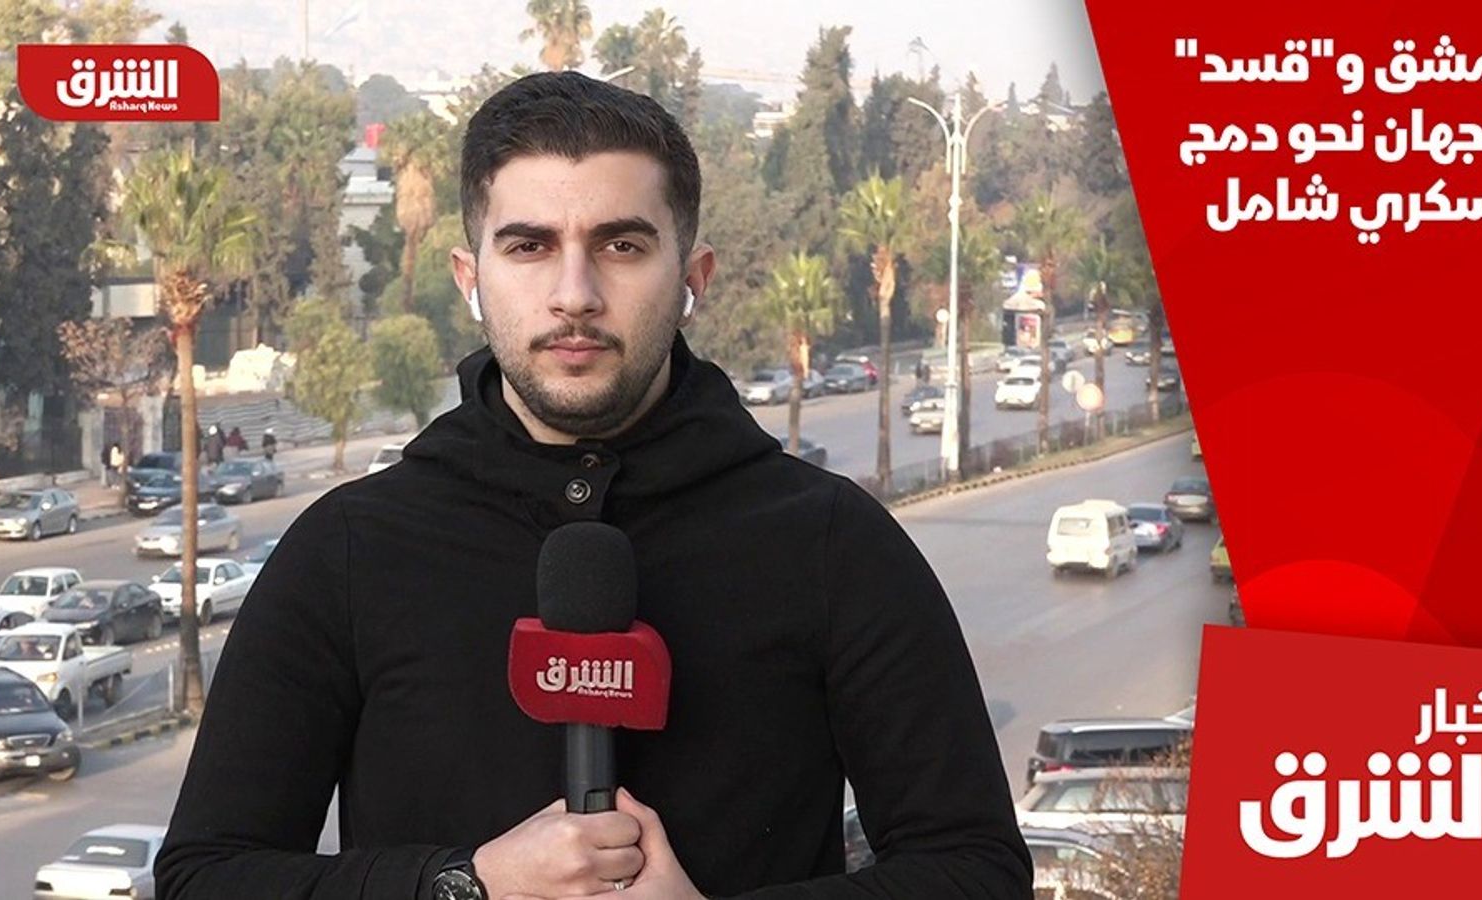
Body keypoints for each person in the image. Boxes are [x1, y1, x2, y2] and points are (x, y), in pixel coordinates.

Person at [157, 72, 1028, 900]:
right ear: (470, 279)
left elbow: (977, 870)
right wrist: (466, 882)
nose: (574, 294)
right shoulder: (351, 547)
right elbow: (206, 875)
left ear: (693, 279)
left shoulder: (831, 542)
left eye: (621, 245)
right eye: (529, 246)